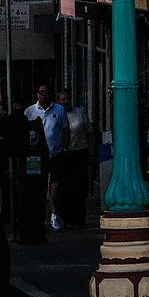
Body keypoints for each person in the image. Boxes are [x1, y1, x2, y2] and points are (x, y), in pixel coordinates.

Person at [23, 85, 68, 228]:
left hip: (55, 153)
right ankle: (40, 216)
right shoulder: (30, 111)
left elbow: (66, 129)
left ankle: (54, 214)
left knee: (56, 185)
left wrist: (65, 148)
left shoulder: (59, 110)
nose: (44, 96)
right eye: (41, 93)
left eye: (47, 93)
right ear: (37, 94)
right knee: (38, 186)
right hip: (36, 155)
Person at [56, 89, 93, 230]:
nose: (66, 102)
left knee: (80, 187)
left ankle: (79, 216)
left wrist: (91, 153)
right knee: (65, 187)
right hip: (64, 153)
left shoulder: (80, 113)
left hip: (79, 152)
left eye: (67, 99)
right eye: (62, 99)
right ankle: (66, 217)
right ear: (59, 101)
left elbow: (89, 133)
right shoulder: (57, 114)